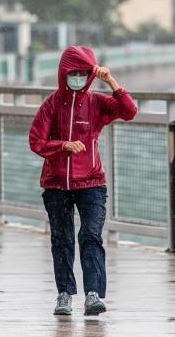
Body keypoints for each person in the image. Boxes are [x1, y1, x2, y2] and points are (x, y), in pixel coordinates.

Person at [28, 45, 137, 316]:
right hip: (56, 185)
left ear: (90, 74)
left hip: (92, 184)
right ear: (62, 73)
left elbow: (129, 111)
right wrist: (63, 146)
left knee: (91, 235)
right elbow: (36, 141)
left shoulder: (97, 103)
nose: (77, 77)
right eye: (72, 72)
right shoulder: (51, 104)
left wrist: (110, 81)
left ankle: (93, 295)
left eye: (82, 72)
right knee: (62, 239)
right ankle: (64, 295)